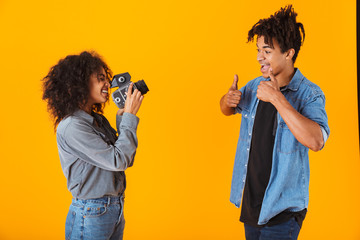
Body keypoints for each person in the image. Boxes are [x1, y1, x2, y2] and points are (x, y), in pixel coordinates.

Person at [220, 5, 330, 240]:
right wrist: (227, 100)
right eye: (259, 50)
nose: (260, 57)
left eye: (267, 51)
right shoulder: (253, 86)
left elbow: (316, 140)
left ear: (289, 53)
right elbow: (226, 110)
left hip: (282, 212)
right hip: (252, 207)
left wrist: (277, 98)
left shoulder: (309, 94)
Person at [42, 51, 144, 240]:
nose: (108, 84)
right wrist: (130, 116)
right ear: (78, 84)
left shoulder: (97, 120)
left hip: (114, 208)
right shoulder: (72, 126)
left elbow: (126, 158)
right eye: (100, 79)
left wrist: (123, 115)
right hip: (92, 212)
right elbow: (119, 160)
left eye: (106, 78)